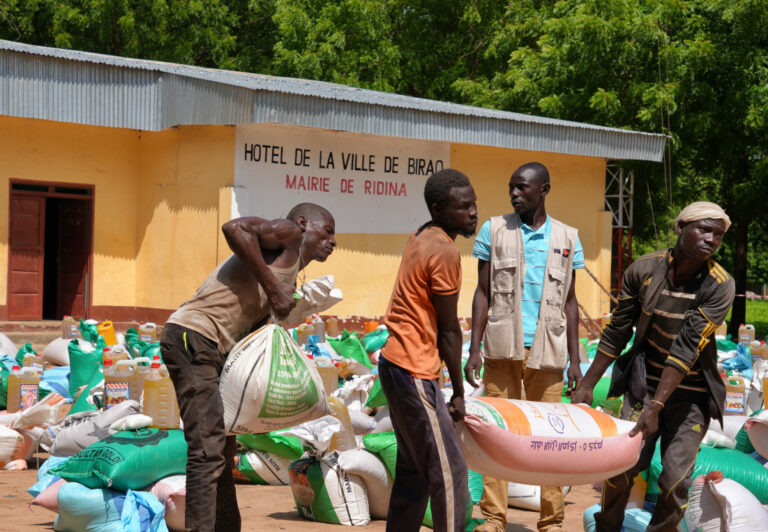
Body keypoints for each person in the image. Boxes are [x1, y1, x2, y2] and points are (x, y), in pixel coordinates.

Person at [159, 203, 337, 532]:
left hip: (215, 349)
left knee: (223, 449)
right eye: (327, 231)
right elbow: (234, 228)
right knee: (207, 448)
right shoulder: (290, 234)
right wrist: (273, 287)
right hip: (193, 338)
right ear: (303, 223)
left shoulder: (291, 267)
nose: (333, 241)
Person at [571, 201, 734, 531]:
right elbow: (618, 330)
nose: (712, 239)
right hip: (642, 386)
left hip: (691, 396)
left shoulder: (719, 284)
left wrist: (657, 405)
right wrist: (587, 384)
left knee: (675, 481)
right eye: (704, 229)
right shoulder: (644, 270)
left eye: (718, 234)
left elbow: (688, 347)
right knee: (621, 469)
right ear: (680, 228)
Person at [465, 162, 584, 532]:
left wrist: (576, 362)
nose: (515, 194)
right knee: (496, 433)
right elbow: (482, 293)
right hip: (501, 348)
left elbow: (571, 302)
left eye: (522, 188)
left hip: (548, 352)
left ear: (544, 190)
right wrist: (473, 349)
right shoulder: (494, 230)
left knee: (550, 436)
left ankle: (551, 521)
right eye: (511, 188)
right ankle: (494, 518)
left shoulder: (567, 236)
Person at [379, 168, 478, 532]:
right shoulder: (444, 251)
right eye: (463, 207)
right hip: (414, 368)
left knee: (413, 469)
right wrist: (458, 392)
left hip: (393, 363)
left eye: (474, 204)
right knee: (450, 472)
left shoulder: (422, 234)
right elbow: (449, 331)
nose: (472, 212)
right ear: (439, 209)